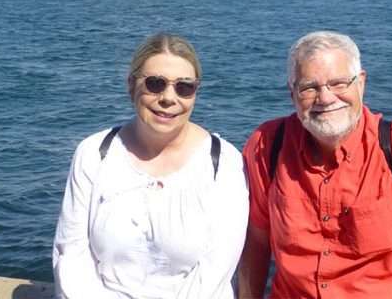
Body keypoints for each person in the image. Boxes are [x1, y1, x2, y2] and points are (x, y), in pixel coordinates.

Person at [238, 31, 392, 298]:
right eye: (309, 87)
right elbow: (256, 244)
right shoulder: (267, 146)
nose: (325, 98)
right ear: (292, 94)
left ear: (361, 83)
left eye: (338, 83)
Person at [53, 33, 248, 299]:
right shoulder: (94, 153)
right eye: (155, 84)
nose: (169, 98)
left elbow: (216, 269)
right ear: (131, 85)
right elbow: (72, 253)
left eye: (184, 87)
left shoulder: (224, 163)